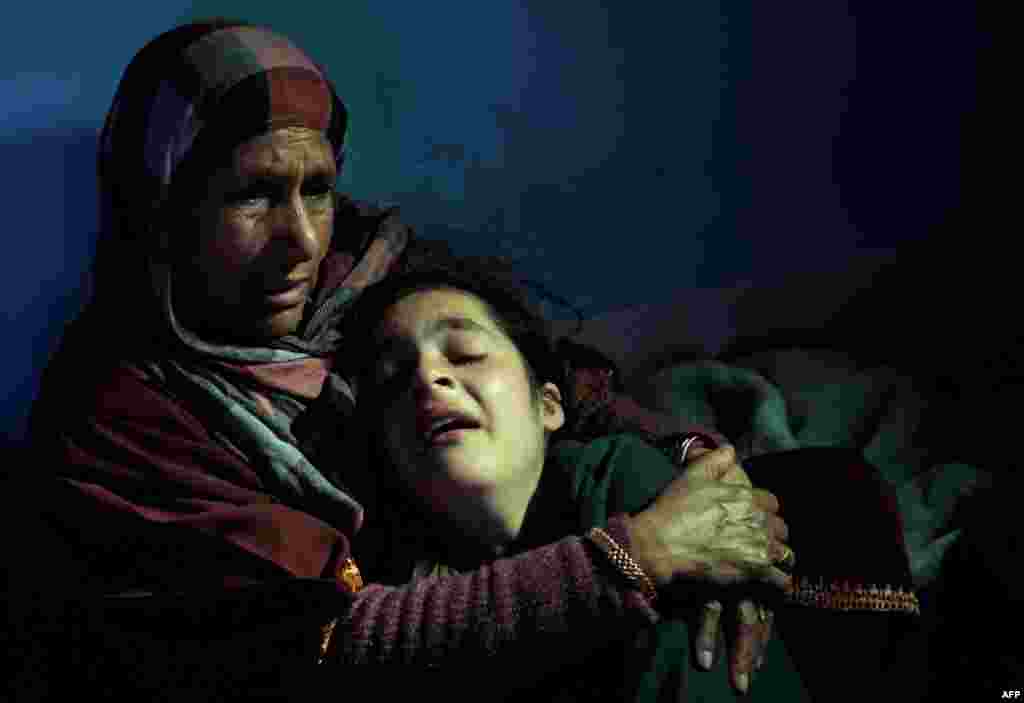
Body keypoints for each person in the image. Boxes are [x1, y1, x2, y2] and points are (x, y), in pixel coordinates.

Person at [14, 19, 790, 700]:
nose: (303, 243)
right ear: (168, 209)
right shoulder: (121, 423)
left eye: (316, 189)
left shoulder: (363, 275)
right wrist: (642, 554)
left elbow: (561, 381)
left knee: (785, 498)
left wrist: (704, 483)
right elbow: (325, 654)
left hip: (497, 578)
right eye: (255, 194)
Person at [339, 258, 790, 701]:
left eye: (466, 354)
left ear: (550, 407)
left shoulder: (618, 476)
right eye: (393, 376)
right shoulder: (384, 578)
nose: (427, 376)